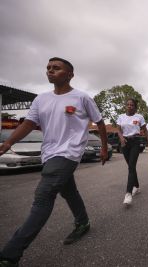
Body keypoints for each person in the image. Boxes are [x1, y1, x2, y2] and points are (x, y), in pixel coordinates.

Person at [0, 57, 108, 267]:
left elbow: (101, 124)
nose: (50, 71)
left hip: (69, 153)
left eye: (56, 68)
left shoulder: (81, 98)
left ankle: (10, 255)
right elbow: (29, 123)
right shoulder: (41, 99)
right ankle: (83, 222)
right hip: (49, 153)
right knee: (68, 191)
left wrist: (103, 148)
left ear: (69, 74)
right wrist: (8, 142)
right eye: (48, 68)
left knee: (43, 195)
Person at [117, 98, 148, 206]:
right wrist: (121, 138)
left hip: (135, 142)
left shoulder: (139, 117)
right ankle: (137, 186)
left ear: (135, 107)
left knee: (131, 166)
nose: (129, 106)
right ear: (126, 106)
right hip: (125, 143)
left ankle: (128, 193)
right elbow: (118, 129)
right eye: (128, 104)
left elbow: (145, 130)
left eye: (132, 105)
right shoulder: (121, 117)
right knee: (131, 167)